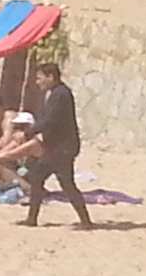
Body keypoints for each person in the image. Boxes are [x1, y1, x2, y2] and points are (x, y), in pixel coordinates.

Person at [24, 59, 94, 230]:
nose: (37, 82)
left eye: (40, 78)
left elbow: (50, 121)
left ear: (50, 77)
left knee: (65, 184)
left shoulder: (61, 94)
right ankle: (32, 219)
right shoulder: (54, 93)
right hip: (55, 147)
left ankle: (86, 221)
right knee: (38, 178)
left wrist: (28, 133)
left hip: (63, 148)